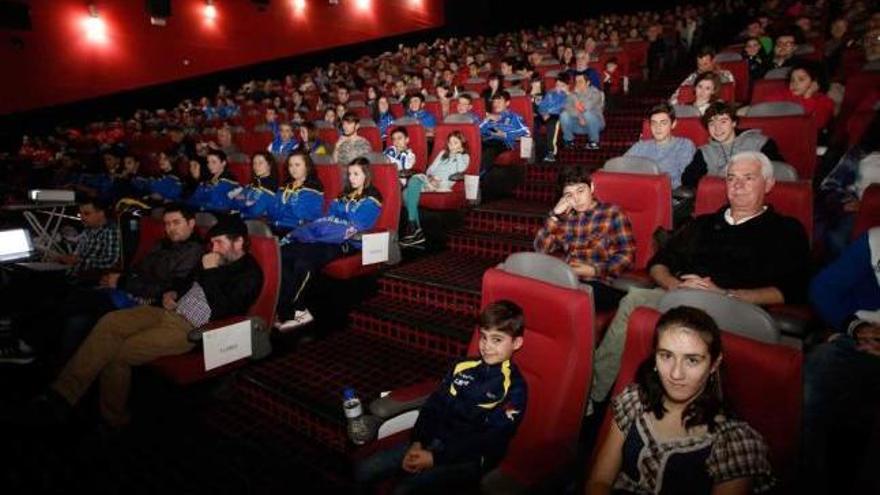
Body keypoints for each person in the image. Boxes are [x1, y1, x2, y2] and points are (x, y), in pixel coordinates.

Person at [590, 151, 810, 407]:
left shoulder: (785, 230)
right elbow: (659, 262)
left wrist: (727, 295)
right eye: (731, 178)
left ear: (769, 184)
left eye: (748, 178)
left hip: (737, 307)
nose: (737, 186)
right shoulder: (704, 223)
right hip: (681, 296)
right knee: (636, 298)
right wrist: (675, 285)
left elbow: (794, 287)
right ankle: (596, 397)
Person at [37, 214, 263, 427]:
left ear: (239, 242)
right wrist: (173, 292)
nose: (214, 249)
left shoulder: (250, 273)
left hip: (192, 328)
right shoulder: (213, 259)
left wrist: (212, 272)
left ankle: (113, 420)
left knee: (119, 353)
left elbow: (225, 310)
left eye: (220, 243)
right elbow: (186, 283)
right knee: (110, 322)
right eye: (212, 243)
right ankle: (62, 395)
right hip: (167, 312)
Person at [588, 306, 775, 494]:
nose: (676, 374)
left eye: (692, 360)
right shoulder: (634, 401)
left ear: (714, 365)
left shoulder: (734, 443)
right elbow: (599, 481)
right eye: (666, 356)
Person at [355, 300, 528, 494]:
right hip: (432, 441)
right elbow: (433, 406)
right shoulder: (462, 367)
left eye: (497, 339)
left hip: (469, 457)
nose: (486, 346)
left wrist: (434, 458)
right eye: (483, 337)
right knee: (364, 470)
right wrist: (418, 442)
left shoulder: (514, 388)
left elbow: (490, 439)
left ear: (516, 343)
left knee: (404, 490)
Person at [802, 227, 880, 494]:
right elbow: (823, 288)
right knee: (815, 374)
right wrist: (853, 326)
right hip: (865, 338)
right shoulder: (875, 240)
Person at [275, 158, 382, 331]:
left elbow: (356, 225)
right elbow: (330, 215)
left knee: (304, 263)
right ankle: (284, 309)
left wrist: (337, 218)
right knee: (285, 253)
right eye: (349, 174)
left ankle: (299, 310)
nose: (351, 178)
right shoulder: (344, 194)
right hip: (325, 238)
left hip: (347, 243)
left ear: (367, 175)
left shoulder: (372, 199)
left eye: (356, 174)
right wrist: (336, 220)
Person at [533, 165, 635, 311]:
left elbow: (627, 255)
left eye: (581, 191)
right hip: (567, 280)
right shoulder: (564, 217)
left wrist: (594, 270)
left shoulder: (612, 213)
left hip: (599, 281)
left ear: (592, 188)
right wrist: (555, 215)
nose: (576, 199)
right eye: (569, 195)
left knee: (563, 302)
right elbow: (541, 249)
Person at [682, 102, 782, 189]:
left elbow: (781, 173)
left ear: (734, 123)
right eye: (712, 124)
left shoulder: (760, 143)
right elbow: (688, 180)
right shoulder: (704, 152)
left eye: (723, 121)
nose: (718, 128)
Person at [400, 131, 470, 247]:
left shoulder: (464, 157)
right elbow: (430, 170)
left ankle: (414, 230)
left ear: (462, 144)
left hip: (443, 185)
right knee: (406, 190)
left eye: (455, 143)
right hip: (430, 181)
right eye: (450, 142)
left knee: (408, 190)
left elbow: (461, 169)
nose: (451, 145)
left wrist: (458, 154)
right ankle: (415, 230)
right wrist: (431, 178)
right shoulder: (443, 153)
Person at [624, 103, 696, 190]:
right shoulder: (640, 146)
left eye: (663, 123)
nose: (658, 127)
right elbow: (620, 167)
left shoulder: (684, 145)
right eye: (654, 123)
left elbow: (685, 180)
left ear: (673, 124)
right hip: (638, 191)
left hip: (669, 195)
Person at [768, 61, 834, 134]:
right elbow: (767, 110)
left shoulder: (825, 101)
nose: (795, 84)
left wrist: (808, 98)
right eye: (792, 80)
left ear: (815, 83)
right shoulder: (782, 94)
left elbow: (817, 124)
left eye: (801, 79)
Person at [268, 151, 325, 234]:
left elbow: (300, 213)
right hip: (276, 227)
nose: (293, 169)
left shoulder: (313, 189)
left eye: (297, 165)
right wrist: (285, 207)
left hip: (297, 231)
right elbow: (271, 209)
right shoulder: (284, 186)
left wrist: (282, 206)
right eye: (290, 165)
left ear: (307, 167)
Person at [478, 91, 530, 175]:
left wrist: (505, 134)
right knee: (477, 145)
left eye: (499, 101)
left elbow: (526, 133)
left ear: (507, 103)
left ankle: (476, 173)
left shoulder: (514, 116)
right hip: (487, 141)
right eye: (494, 101)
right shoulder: (490, 117)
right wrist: (486, 120)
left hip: (504, 143)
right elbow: (478, 132)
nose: (496, 104)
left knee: (491, 148)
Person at [669, 46, 735, 105]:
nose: (701, 68)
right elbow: (675, 97)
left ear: (713, 61)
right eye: (699, 65)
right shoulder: (693, 77)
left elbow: (730, 98)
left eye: (705, 64)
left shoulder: (726, 76)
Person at [560, 73, 605, 150]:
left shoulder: (595, 93)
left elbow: (584, 108)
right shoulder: (573, 94)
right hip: (578, 125)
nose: (577, 84)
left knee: (587, 113)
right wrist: (579, 116)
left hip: (595, 125)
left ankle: (593, 142)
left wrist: (574, 96)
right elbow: (567, 108)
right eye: (576, 82)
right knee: (564, 114)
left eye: (580, 81)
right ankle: (569, 141)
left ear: (588, 83)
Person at [229, 152, 278, 219]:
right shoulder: (253, 183)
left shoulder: (270, 187)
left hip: (256, 224)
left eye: (260, 163)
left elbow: (255, 212)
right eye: (254, 163)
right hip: (241, 218)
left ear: (269, 165)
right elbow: (232, 203)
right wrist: (245, 203)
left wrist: (242, 202)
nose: (256, 166)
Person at [537, 72, 571, 163]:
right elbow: (541, 106)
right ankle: (537, 153)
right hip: (547, 115)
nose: (558, 87)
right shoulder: (551, 93)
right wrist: (543, 113)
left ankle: (551, 152)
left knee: (552, 123)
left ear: (567, 86)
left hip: (560, 116)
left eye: (561, 85)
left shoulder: (570, 96)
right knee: (536, 123)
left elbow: (565, 107)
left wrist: (568, 94)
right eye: (557, 85)